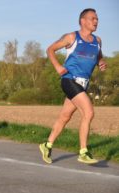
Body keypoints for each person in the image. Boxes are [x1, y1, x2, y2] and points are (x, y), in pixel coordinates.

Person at [39, 8, 107, 164]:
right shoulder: (71, 37)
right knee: (88, 112)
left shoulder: (97, 41)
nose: (96, 21)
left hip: (83, 84)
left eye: (97, 19)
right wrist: (57, 66)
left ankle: (47, 145)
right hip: (69, 80)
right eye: (92, 18)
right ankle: (83, 151)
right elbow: (50, 49)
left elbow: (98, 56)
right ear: (83, 21)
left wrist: (101, 62)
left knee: (65, 116)